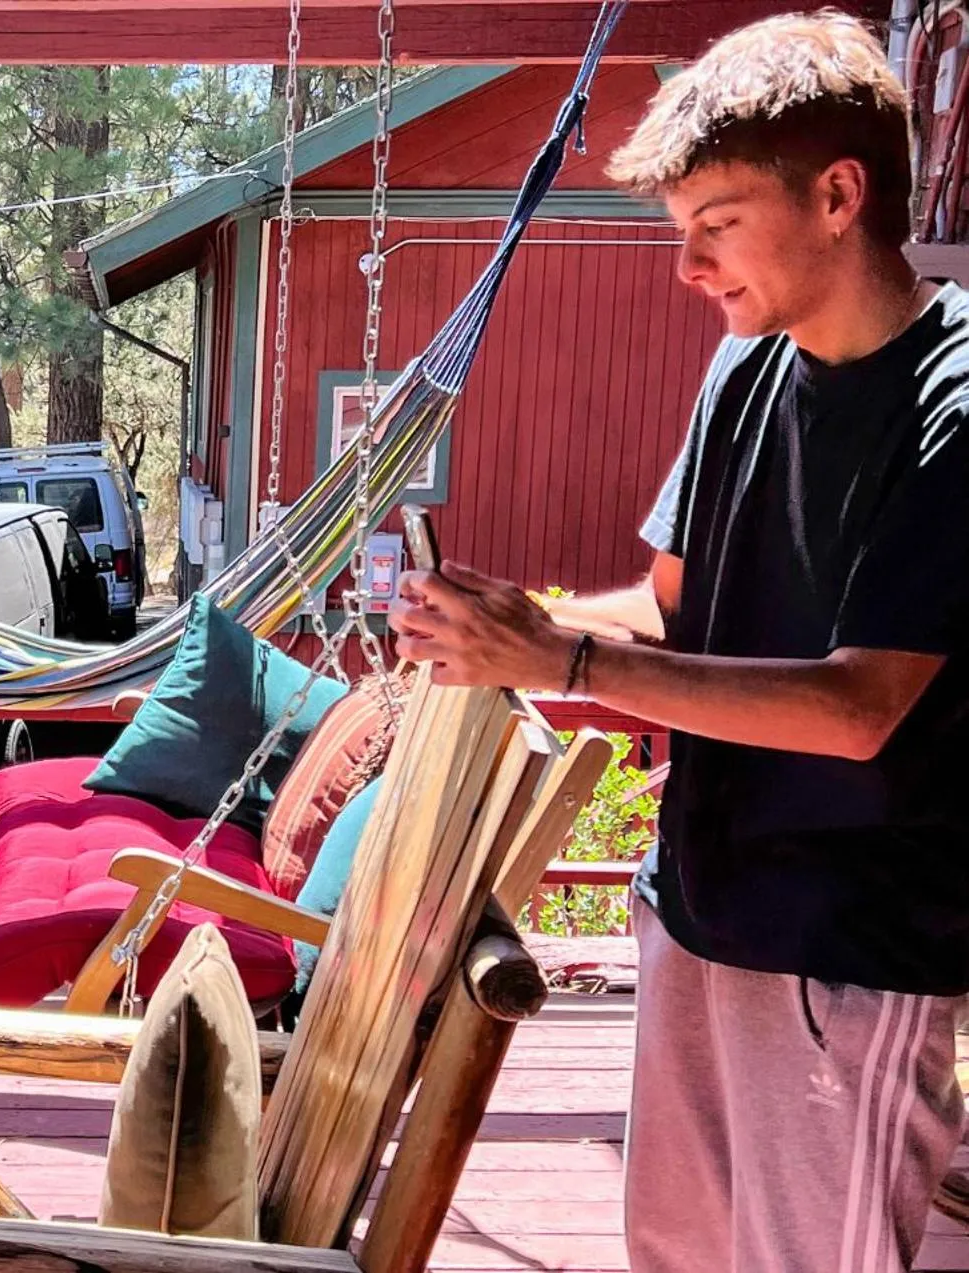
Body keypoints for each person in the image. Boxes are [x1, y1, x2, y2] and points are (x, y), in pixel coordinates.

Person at [387, 14, 968, 1273]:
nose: (690, 267)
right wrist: (511, 624)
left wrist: (559, 664)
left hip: (847, 956)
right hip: (698, 911)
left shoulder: (955, 409)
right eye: (680, 233)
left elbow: (857, 707)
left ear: (836, 193)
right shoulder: (742, 370)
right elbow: (669, 606)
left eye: (715, 223)